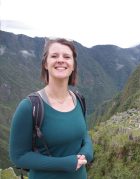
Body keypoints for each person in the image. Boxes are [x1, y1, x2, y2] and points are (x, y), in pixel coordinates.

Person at [9, 38, 93, 179]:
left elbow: (84, 135)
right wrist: (63, 164)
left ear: (73, 65)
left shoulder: (79, 100)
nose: (61, 60)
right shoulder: (29, 107)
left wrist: (87, 152)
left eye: (67, 57)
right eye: (54, 56)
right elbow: (19, 156)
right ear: (45, 64)